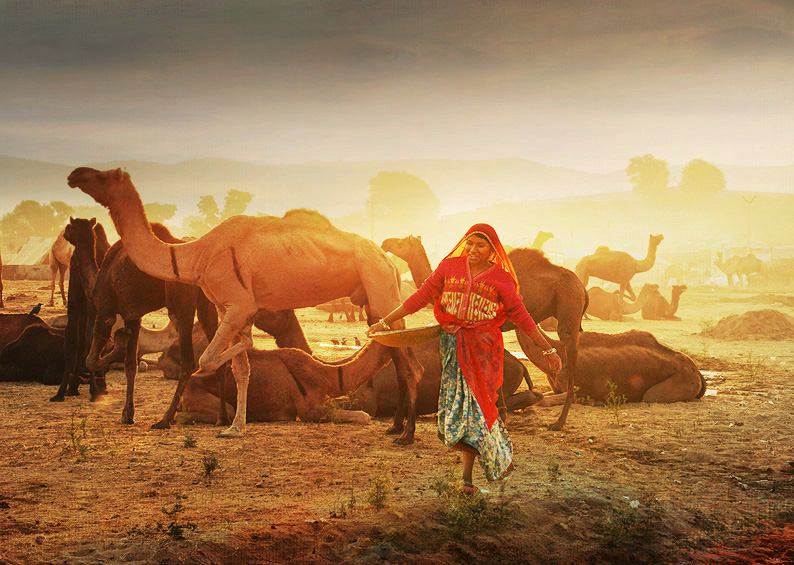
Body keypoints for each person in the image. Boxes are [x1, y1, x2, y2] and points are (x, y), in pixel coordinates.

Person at [367, 223, 562, 494]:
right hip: (452, 347)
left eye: (480, 245)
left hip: (484, 350)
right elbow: (420, 297)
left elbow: (522, 316)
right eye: (470, 243)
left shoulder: (501, 279)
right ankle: (484, 461)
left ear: (492, 250)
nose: (473, 249)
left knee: (478, 411)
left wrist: (548, 349)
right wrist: (385, 322)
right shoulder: (449, 268)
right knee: (458, 413)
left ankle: (468, 478)